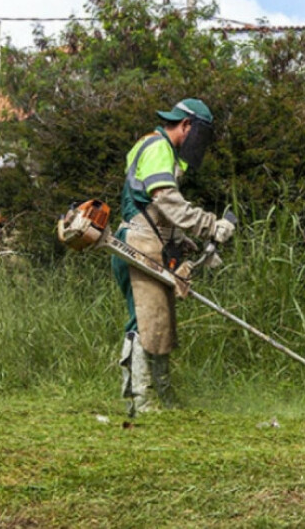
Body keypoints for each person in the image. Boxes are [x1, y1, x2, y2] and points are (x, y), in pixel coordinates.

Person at [111, 98, 235, 417]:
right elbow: (165, 199)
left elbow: (150, 207)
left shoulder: (155, 147)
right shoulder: (157, 148)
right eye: (200, 135)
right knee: (145, 321)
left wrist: (181, 239)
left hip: (149, 241)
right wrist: (210, 226)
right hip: (139, 243)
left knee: (159, 322)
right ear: (187, 126)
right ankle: (142, 401)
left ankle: (163, 396)